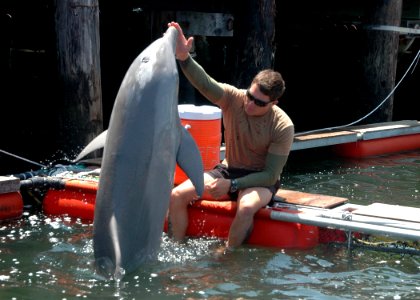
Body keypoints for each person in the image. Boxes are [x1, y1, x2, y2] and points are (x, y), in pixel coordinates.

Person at [167, 21, 295, 249]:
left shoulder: (282, 125)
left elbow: (269, 175)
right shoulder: (233, 98)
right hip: (228, 169)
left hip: (259, 181)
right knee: (177, 195)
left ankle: (227, 258)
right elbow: (205, 84)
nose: (250, 104)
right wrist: (184, 58)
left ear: (273, 103)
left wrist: (232, 185)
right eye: (250, 95)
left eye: (259, 103)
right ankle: (176, 249)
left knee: (246, 207)